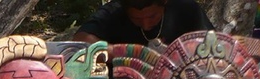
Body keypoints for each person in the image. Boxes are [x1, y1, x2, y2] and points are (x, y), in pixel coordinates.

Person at [73, 0, 213, 46]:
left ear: (164, 3)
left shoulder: (186, 9)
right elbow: (80, 41)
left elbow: (213, 42)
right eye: (137, 19)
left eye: (152, 17)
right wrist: (117, 52)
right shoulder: (114, 12)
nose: (145, 25)